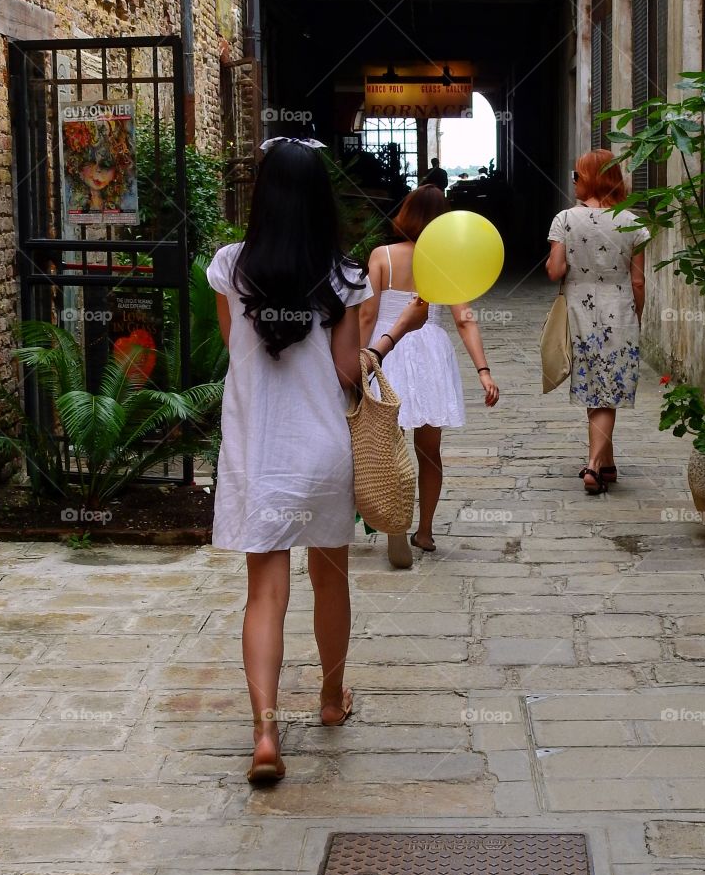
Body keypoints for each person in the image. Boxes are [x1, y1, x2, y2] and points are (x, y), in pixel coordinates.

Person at [207, 138, 428, 785]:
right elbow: (346, 372)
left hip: (259, 450)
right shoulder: (343, 275)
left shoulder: (230, 267)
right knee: (330, 581)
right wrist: (388, 339)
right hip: (322, 448)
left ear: (263, 195)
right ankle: (331, 700)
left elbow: (234, 347)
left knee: (264, 593)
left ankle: (266, 733)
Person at [359, 185, 500, 566]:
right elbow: (464, 319)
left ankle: (395, 523)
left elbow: (367, 314)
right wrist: (483, 371)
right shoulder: (443, 262)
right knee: (430, 451)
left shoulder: (382, 256)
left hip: (388, 350)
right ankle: (424, 530)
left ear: (405, 213)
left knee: (388, 446)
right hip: (429, 353)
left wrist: (360, 360)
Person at [545, 149, 647, 495]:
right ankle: (604, 463)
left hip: (580, 314)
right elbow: (638, 282)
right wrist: (637, 316)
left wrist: (556, 261)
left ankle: (593, 465)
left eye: (577, 175)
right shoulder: (632, 222)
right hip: (620, 312)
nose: (573, 181)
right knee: (607, 389)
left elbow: (555, 271)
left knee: (596, 387)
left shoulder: (565, 220)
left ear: (589, 179)